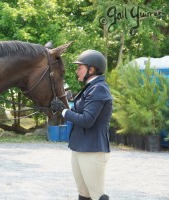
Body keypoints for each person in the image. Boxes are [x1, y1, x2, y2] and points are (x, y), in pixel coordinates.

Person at [51, 50, 113, 200]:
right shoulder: (90, 88)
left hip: (93, 149)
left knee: (97, 195)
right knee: (83, 195)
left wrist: (64, 111)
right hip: (79, 147)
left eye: (80, 67)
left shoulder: (99, 89)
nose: (77, 70)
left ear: (91, 69)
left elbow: (87, 120)